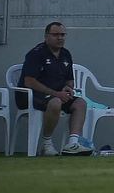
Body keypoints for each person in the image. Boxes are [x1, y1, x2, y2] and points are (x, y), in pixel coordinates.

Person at [19, 20, 93, 156]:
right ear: (46, 36)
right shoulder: (36, 54)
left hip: (57, 94)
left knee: (81, 103)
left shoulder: (66, 54)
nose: (60, 38)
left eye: (63, 35)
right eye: (55, 35)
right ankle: (46, 144)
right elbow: (29, 82)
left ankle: (73, 143)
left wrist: (68, 88)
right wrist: (56, 94)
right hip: (32, 95)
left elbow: (69, 79)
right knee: (55, 102)